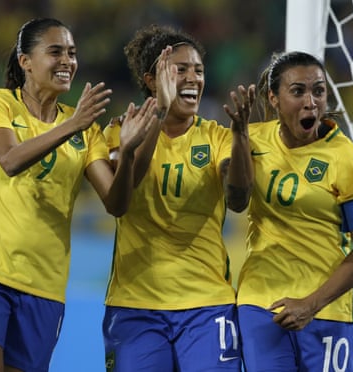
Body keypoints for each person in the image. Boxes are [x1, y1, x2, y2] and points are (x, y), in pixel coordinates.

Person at [0, 17, 165, 372]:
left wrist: (127, 152)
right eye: (55, 52)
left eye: (72, 53)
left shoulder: (86, 131)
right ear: (25, 61)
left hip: (43, 286)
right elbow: (11, 160)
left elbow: (116, 203)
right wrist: (71, 125)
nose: (67, 61)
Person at [101, 24, 255, 372]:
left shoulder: (216, 136)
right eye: (180, 70)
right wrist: (159, 112)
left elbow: (238, 198)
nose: (193, 78)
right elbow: (123, 195)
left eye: (199, 71)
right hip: (134, 305)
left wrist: (241, 137)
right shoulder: (119, 131)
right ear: (151, 80)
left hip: (206, 304)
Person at [235, 51, 353, 372]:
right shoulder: (252, 139)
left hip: (326, 310)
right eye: (298, 91)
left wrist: (310, 305)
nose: (311, 101)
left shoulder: (345, 158)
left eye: (319, 90)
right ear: (273, 98)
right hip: (261, 301)